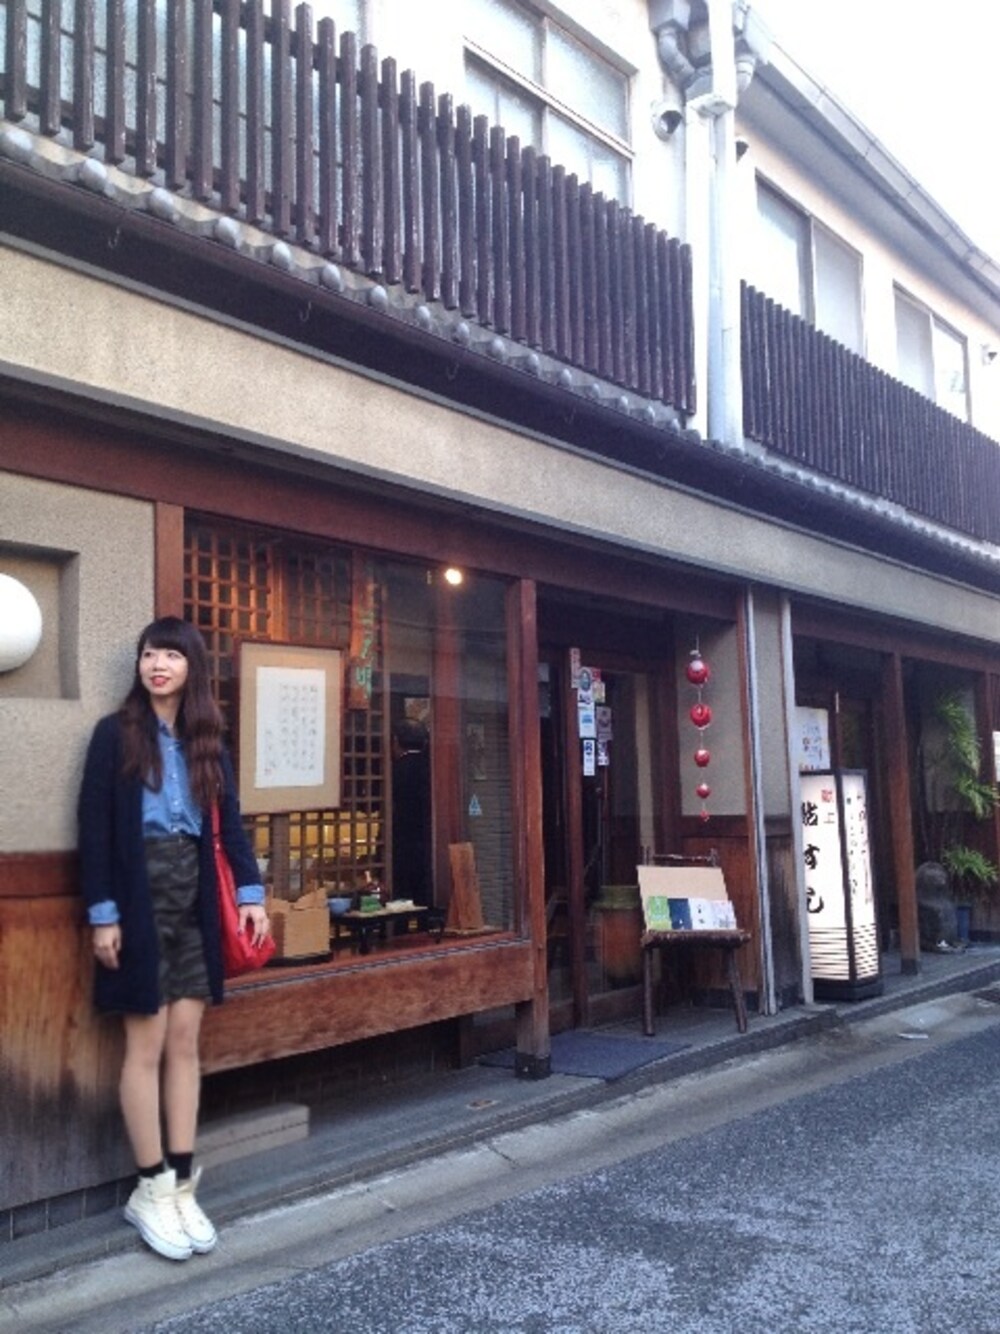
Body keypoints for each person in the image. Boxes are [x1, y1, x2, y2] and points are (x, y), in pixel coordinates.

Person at [78, 616, 269, 1262]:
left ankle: (183, 1183)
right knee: (145, 1045)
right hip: (137, 898)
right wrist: (104, 914)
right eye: (148, 654)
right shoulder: (115, 734)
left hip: (194, 899)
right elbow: (94, 825)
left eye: (170, 655)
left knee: (185, 1044)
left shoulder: (206, 741)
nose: (157, 665)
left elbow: (230, 826)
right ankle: (150, 1188)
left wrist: (251, 896)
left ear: (192, 668)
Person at [390, 717, 432, 904]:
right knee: (424, 895)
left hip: (400, 841)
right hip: (428, 843)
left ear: (395, 741)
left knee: (402, 897)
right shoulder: (433, 767)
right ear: (425, 742)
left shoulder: (393, 771)